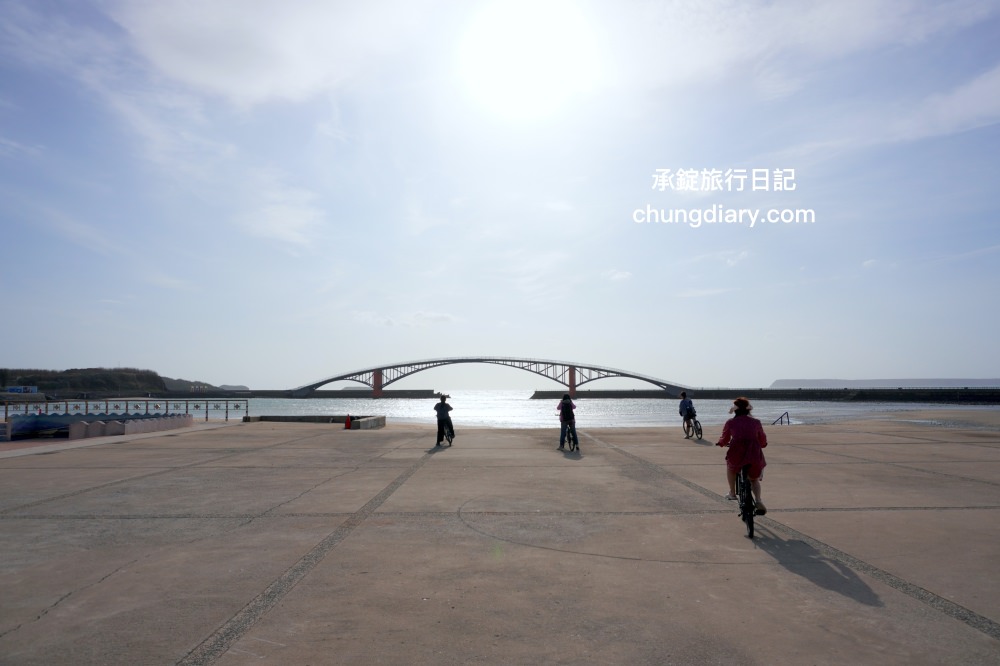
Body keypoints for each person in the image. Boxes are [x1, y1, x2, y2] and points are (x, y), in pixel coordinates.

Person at [716, 396, 767, 514]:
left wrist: (721, 443)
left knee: (731, 468)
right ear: (748, 410)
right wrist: (763, 444)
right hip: (753, 452)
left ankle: (732, 493)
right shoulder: (756, 422)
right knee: (754, 479)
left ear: (735, 411)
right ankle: (758, 500)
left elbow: (725, 438)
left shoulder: (731, 422)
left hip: (736, 451)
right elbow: (762, 438)